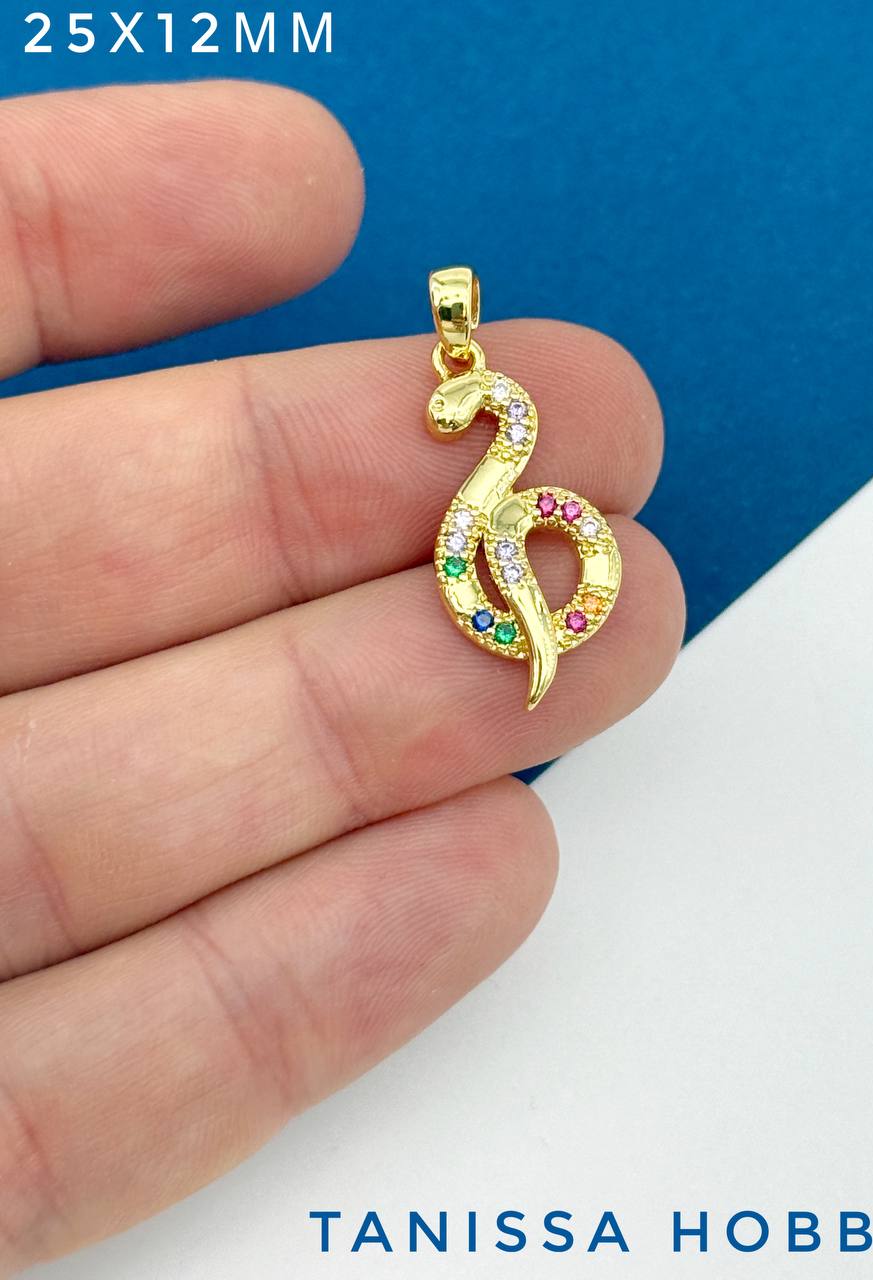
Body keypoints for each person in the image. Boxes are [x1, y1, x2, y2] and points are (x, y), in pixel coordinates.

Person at [0, 80, 683, 1273]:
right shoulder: (481, 475)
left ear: (486, 403)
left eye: (467, 406)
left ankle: (538, 639)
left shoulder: (514, 471)